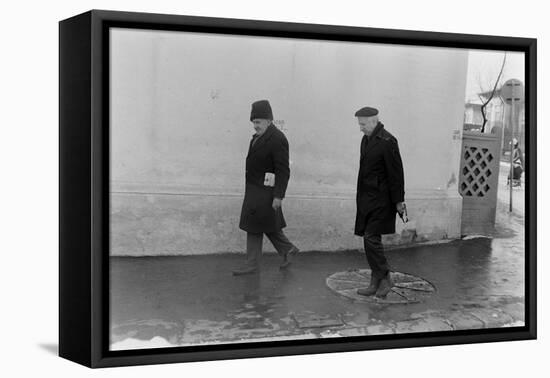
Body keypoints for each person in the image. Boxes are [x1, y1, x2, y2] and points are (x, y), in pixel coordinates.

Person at [233, 100, 299, 275]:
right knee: (265, 224)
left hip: (266, 192)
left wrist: (279, 196)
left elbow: (283, 170)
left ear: (269, 121)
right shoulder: (257, 137)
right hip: (255, 190)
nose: (255, 126)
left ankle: (252, 264)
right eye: (253, 122)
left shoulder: (277, 139)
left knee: (254, 226)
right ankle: (287, 249)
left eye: (258, 122)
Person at [353, 106, 406, 298]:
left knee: (371, 238)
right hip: (367, 199)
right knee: (369, 240)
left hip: (382, 200)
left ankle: (385, 277)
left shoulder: (388, 141)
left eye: (363, 124)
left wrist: (399, 201)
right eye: (359, 124)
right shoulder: (366, 140)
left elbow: (396, 174)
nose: (360, 128)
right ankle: (375, 282)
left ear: (374, 121)